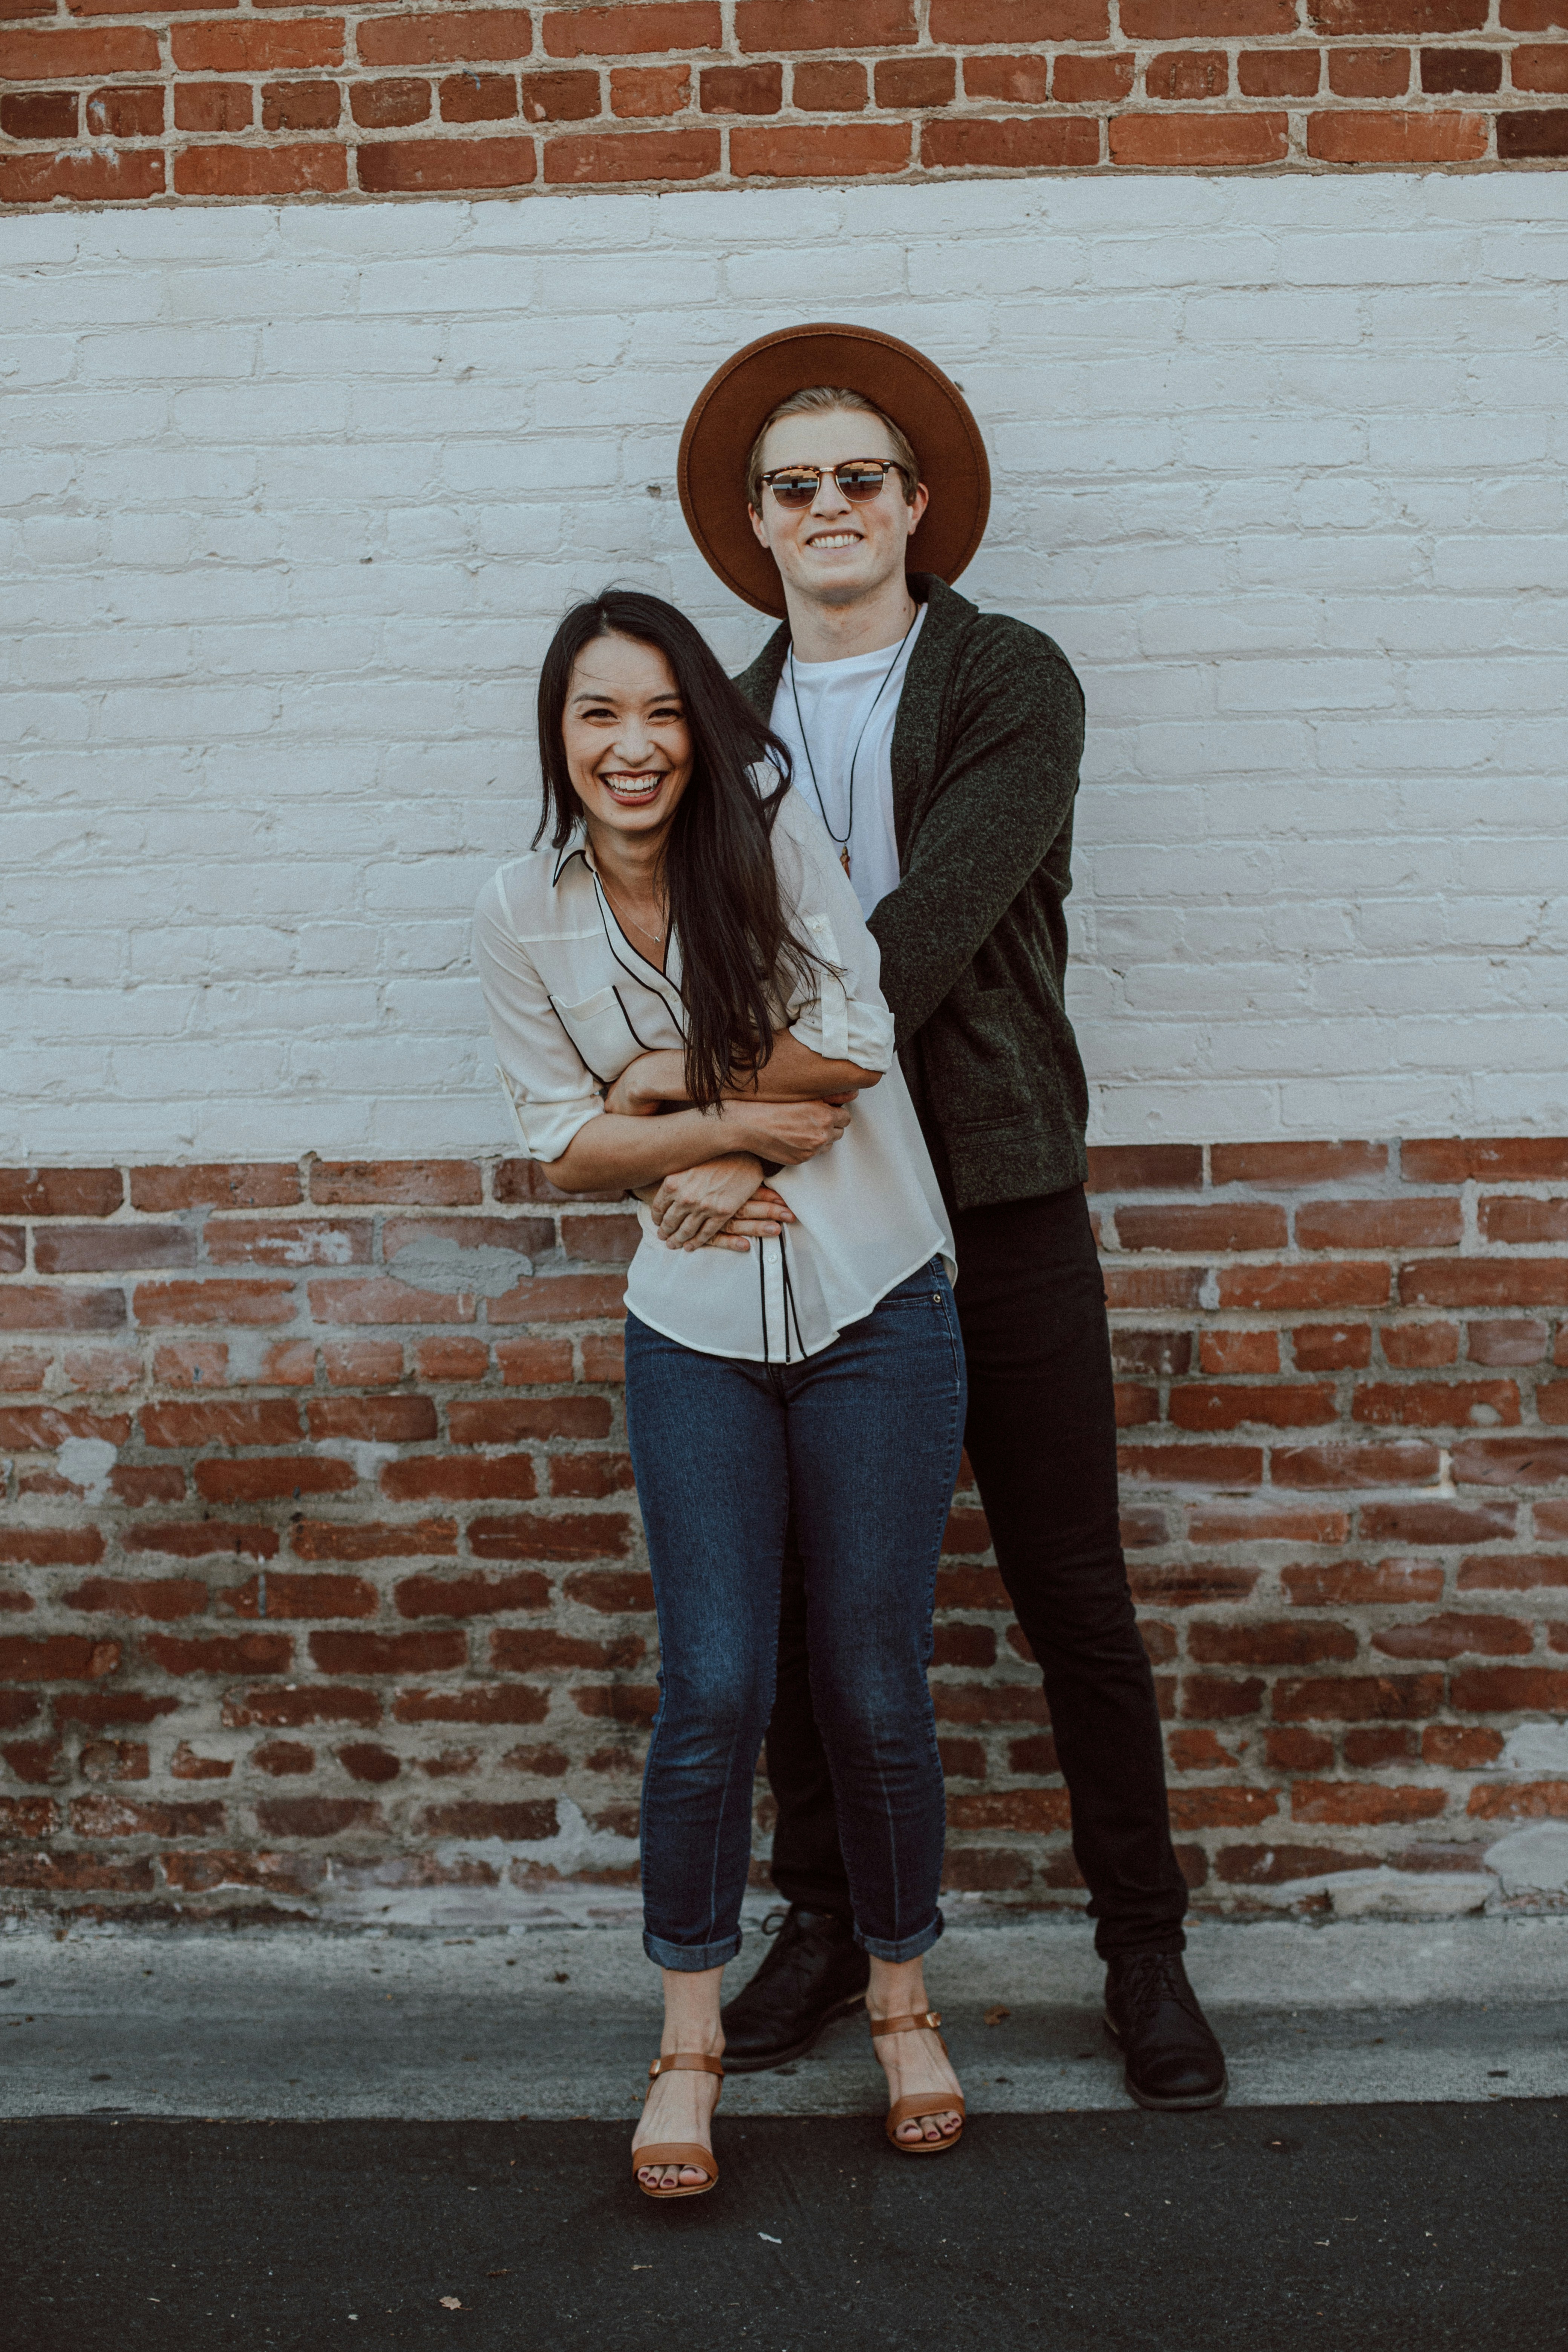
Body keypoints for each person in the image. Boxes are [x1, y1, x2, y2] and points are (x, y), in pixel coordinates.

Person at [663, 325, 1228, 2113]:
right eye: (791, 485)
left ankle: (1142, 1951)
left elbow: (917, 942)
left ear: (915, 505)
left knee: (1070, 1587)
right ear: (755, 526)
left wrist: (730, 1124)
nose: (825, 505)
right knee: (826, 1600)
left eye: (856, 478)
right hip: (812, 1217)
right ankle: (825, 1931)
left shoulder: (1006, 678)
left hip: (991, 1197)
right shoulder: (719, 721)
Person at [473, 589, 970, 2200]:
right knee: (711, 1690)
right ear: (559, 737)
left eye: (661, 712)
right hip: (688, 1327)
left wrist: (673, 1098)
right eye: (596, 716)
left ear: (702, 725)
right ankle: (685, 2047)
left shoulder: (768, 841)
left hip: (875, 1300)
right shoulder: (518, 908)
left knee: (872, 1684)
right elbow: (557, 1144)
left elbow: (851, 1049)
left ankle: (901, 2005)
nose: (632, 747)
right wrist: (702, 1145)